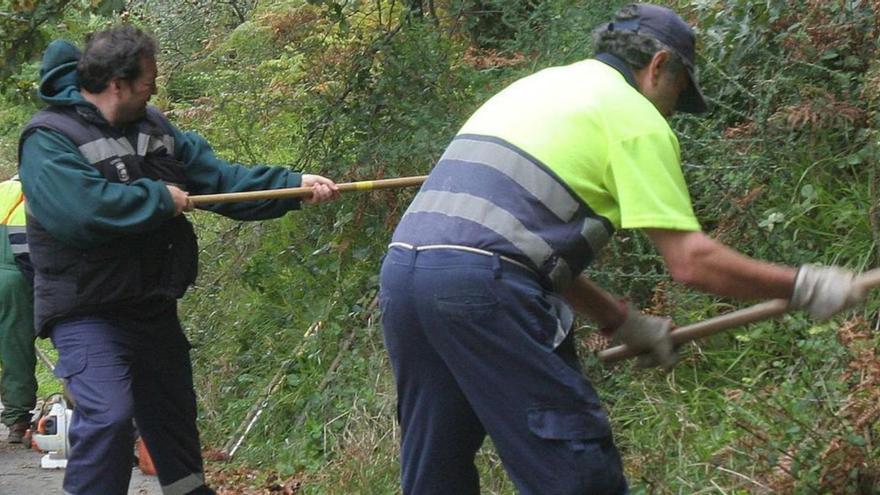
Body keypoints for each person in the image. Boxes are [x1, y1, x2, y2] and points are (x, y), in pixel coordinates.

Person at [377, 3, 866, 494]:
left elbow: (512, 245)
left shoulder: (539, 87)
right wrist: (804, 284)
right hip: (481, 288)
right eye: (678, 90)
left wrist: (620, 320)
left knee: (435, 467)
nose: (672, 109)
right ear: (658, 66)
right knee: (573, 468)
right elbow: (691, 262)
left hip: (404, 276)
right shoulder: (635, 118)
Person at [17, 26, 339, 495]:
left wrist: (294, 184)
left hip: (151, 307)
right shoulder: (48, 138)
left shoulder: (155, 127)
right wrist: (158, 199)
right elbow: (80, 213)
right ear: (117, 83)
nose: (155, 87)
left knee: (173, 423)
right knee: (108, 415)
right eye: (148, 79)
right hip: (86, 311)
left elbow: (218, 180)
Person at [0, 175, 37, 444]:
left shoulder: (2, 192)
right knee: (16, 348)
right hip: (16, 280)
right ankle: (17, 420)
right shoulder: (38, 195)